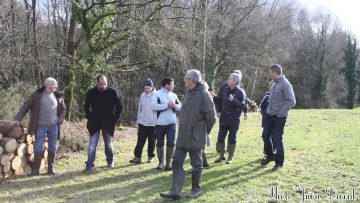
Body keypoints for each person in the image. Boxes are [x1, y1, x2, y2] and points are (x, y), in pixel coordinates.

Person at [160, 69, 216, 200]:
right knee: (177, 161)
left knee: (196, 164)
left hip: (196, 136)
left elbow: (212, 117)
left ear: (191, 80)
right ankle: (175, 191)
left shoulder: (204, 95)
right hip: (183, 135)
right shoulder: (189, 93)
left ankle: (196, 189)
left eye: (186, 78)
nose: (184, 80)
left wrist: (204, 131)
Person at [14, 77, 66, 176]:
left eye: (56, 84)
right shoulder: (36, 94)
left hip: (54, 126)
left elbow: (63, 109)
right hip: (40, 126)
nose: (56, 86)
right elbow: (25, 106)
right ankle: (35, 170)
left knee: (52, 147)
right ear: (47, 85)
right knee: (38, 147)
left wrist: (61, 119)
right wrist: (17, 119)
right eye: (54, 84)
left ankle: (51, 169)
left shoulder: (58, 96)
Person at [84, 75, 122, 172]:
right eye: (101, 84)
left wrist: (114, 118)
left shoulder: (112, 92)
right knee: (92, 144)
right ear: (97, 83)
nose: (103, 86)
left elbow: (119, 107)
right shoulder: (91, 92)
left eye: (105, 84)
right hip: (94, 122)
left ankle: (110, 161)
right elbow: (86, 106)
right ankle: (89, 164)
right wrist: (89, 116)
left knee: (108, 144)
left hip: (108, 122)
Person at [261, 64, 296, 171]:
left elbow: (292, 101)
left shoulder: (286, 84)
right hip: (270, 115)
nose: (269, 74)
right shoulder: (274, 84)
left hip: (279, 117)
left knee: (277, 139)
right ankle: (270, 156)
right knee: (265, 136)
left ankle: (279, 163)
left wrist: (281, 113)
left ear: (275, 73)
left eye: (270, 72)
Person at [211, 72, 247, 164]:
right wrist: (213, 97)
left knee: (232, 138)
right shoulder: (225, 89)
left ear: (235, 81)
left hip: (234, 120)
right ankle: (221, 156)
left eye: (230, 78)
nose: (228, 80)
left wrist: (234, 100)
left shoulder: (240, 92)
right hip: (224, 119)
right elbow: (219, 100)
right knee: (220, 138)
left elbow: (242, 105)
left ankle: (230, 157)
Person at [151, 77, 182, 170]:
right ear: (167, 85)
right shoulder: (156, 94)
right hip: (159, 123)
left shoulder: (174, 95)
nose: (174, 85)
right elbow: (153, 106)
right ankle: (161, 163)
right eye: (172, 84)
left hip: (172, 123)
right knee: (160, 143)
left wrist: (175, 106)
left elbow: (180, 107)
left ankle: (169, 163)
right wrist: (167, 105)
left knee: (171, 143)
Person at [129, 79, 157, 164]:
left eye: (148, 88)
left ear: (152, 87)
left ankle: (150, 157)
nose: (146, 89)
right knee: (140, 140)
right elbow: (140, 109)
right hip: (142, 122)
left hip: (153, 123)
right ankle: (137, 157)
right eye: (145, 88)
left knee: (151, 141)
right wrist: (138, 120)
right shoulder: (143, 95)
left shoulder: (157, 95)